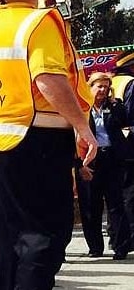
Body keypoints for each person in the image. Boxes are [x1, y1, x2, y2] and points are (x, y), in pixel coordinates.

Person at [0, 0, 98, 290]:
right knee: (44, 238)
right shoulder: (38, 22)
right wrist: (83, 126)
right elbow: (48, 80)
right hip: (35, 140)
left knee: (8, 244)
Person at [75, 72, 131, 259]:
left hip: (112, 159)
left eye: (106, 87)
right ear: (89, 87)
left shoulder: (115, 107)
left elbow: (124, 127)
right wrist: (80, 162)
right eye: (99, 86)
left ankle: (120, 246)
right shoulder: (80, 108)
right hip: (89, 160)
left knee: (116, 204)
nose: (103, 91)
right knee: (91, 205)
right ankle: (95, 247)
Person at [111, 50, 134, 251]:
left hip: (113, 145)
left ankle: (117, 238)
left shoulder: (113, 82)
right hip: (130, 144)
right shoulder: (131, 83)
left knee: (116, 195)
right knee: (130, 194)